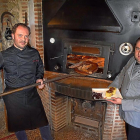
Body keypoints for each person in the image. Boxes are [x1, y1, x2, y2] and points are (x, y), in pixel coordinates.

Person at [0, 23, 53, 140]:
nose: (24, 39)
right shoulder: (4, 55)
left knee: (42, 121)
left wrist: (39, 78)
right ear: (13, 36)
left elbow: (39, 67)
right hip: (13, 95)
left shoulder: (33, 52)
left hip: (31, 93)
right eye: (20, 35)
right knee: (18, 125)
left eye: (26, 36)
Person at [107, 37, 140, 140]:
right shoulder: (132, 60)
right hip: (128, 114)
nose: (139, 53)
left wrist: (122, 102)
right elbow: (121, 76)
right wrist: (110, 90)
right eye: (138, 48)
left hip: (138, 119)